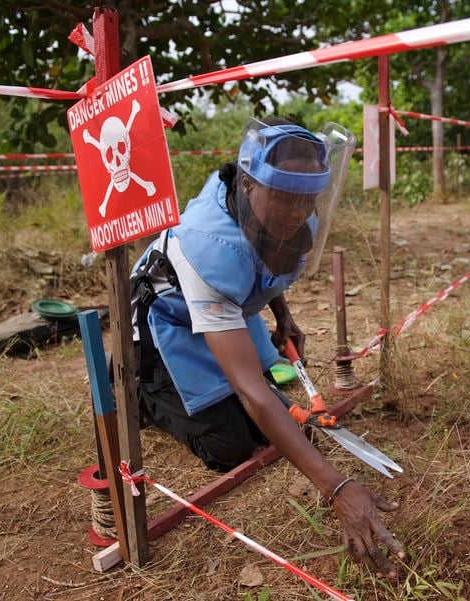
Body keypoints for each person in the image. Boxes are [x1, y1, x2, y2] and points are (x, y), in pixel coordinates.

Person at [129, 117, 405, 576]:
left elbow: (268, 256)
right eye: (283, 197)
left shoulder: (285, 211)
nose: (297, 212)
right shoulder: (209, 245)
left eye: (306, 198)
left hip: (226, 312)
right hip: (166, 321)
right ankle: (143, 394)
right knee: (230, 447)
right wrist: (336, 488)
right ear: (250, 185)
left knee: (281, 429)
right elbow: (252, 392)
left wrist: (283, 315)